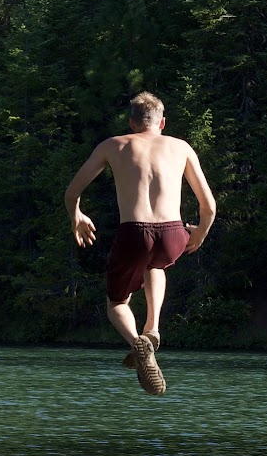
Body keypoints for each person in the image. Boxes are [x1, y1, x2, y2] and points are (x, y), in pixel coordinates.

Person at [63, 91, 216, 395]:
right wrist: (199, 233)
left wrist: (76, 216)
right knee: (156, 264)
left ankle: (137, 343)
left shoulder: (113, 145)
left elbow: (71, 192)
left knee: (117, 303)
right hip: (173, 232)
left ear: (131, 123)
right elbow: (209, 206)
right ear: (162, 122)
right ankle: (153, 328)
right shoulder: (181, 147)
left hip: (134, 233)